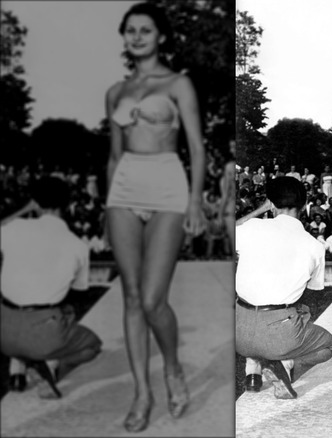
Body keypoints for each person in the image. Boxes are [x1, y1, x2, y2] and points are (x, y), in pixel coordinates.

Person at [105, 3, 205, 431]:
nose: (138, 36)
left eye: (146, 30)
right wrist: (106, 205)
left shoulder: (179, 83)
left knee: (151, 299)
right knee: (129, 295)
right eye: (131, 30)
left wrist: (197, 201)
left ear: (160, 36)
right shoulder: (115, 91)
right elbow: (113, 155)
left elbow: (196, 147)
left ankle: (172, 368)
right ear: (125, 37)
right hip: (123, 189)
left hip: (167, 185)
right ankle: (142, 394)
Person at [235, 177, 332, 399]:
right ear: (304, 205)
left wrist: (259, 211)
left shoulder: (251, 228)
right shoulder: (314, 246)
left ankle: (255, 370)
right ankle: (287, 367)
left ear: (270, 203)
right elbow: (314, 289)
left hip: (238, 330)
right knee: (328, 345)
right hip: (278, 331)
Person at [1, 178, 103, 398]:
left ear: (34, 202)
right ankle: (47, 362)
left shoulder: (15, 228)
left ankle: (18, 366)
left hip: (3, 328)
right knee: (92, 345)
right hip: (43, 332)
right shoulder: (77, 245)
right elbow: (78, 290)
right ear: (67, 204)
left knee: (22, 294)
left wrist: (24, 210)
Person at [218, 140, 236, 254]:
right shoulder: (231, 167)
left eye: (233, 147)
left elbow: (225, 195)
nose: (232, 150)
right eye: (231, 147)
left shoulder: (229, 167)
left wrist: (219, 215)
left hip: (230, 211)